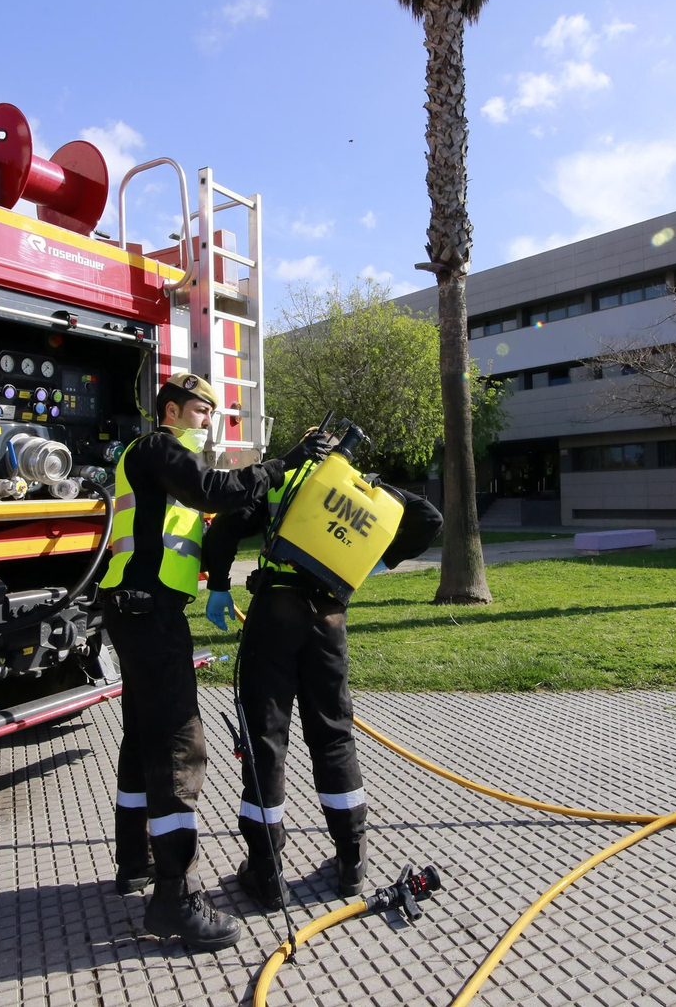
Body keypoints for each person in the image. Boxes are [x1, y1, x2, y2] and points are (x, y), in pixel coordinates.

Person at [98, 373, 330, 950]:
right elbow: (217, 491)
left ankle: (136, 860)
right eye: (204, 412)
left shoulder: (159, 461)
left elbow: (220, 502)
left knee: (143, 736)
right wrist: (281, 465)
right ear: (172, 409)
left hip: (141, 609)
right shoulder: (158, 447)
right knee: (179, 743)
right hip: (149, 614)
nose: (211, 422)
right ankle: (175, 897)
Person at [201, 455, 442, 911]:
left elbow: (223, 529)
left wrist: (217, 584)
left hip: (274, 610)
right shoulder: (363, 487)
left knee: (265, 740)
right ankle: (351, 861)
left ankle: (266, 872)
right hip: (328, 618)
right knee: (334, 735)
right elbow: (429, 518)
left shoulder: (285, 478)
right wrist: (374, 563)